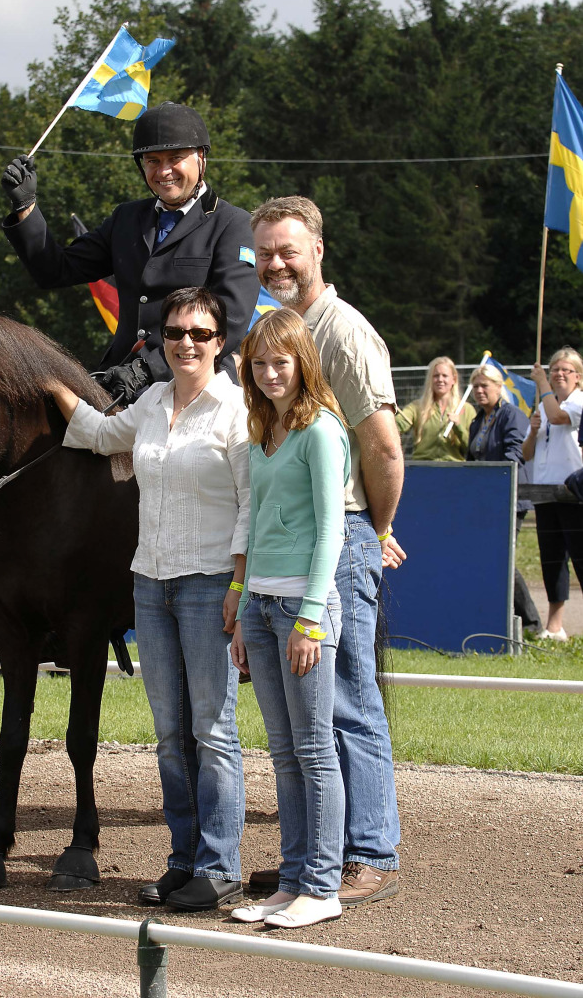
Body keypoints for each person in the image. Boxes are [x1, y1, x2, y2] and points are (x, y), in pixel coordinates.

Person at [47, 286, 247, 912]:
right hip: (150, 585)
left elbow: (252, 509)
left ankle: (220, 864)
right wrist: (49, 382)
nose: (186, 343)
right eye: (175, 332)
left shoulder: (239, 411)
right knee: (169, 733)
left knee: (212, 730)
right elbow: (101, 433)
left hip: (211, 583)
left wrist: (239, 588)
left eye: (200, 334)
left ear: (219, 342)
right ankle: (183, 860)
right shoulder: (153, 399)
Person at [248, 195, 403, 907]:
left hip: (340, 539)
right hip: (299, 548)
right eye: (265, 252)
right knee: (315, 716)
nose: (275, 262)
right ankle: (324, 855)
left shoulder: (343, 333)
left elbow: (383, 448)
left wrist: (377, 527)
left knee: (350, 702)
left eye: (288, 249)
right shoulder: (284, 330)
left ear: (318, 250)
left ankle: (368, 851)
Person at [0, 102, 259, 403]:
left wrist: (148, 369)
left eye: (175, 158)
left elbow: (231, 319)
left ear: (201, 157)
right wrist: (25, 207)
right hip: (117, 381)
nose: (163, 171)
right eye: (152, 161)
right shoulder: (126, 218)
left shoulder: (234, 224)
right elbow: (55, 270)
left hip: (195, 385)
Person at [229, 308, 349, 930]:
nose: (271, 373)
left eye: (281, 361)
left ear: (303, 361)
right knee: (282, 752)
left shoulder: (322, 431)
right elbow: (254, 522)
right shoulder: (262, 430)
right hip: (263, 608)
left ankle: (322, 884)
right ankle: (294, 878)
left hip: (305, 607)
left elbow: (332, 530)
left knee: (314, 749)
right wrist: (246, 602)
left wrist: (309, 619)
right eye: (260, 363)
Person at [466, 363, 541, 636]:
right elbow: (471, 460)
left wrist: (493, 479)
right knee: (489, 558)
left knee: (504, 560)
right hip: (484, 501)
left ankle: (532, 624)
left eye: (485, 385)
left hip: (509, 499)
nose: (479, 390)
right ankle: (496, 619)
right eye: (475, 386)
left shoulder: (511, 415)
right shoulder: (477, 420)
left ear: (500, 387)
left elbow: (516, 453)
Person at [522, 348, 583, 641]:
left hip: (574, 493)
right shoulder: (542, 406)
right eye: (554, 369)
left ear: (578, 377)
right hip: (545, 492)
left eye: (565, 370)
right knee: (552, 560)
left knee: (580, 557)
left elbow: (558, 418)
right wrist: (532, 432)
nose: (558, 374)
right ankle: (555, 626)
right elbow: (526, 452)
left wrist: (541, 381)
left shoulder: (579, 401)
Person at [395, 357, 475, 461]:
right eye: (436, 376)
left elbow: (472, 449)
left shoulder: (467, 409)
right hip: (423, 469)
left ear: (453, 379)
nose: (440, 379)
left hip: (455, 470)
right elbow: (397, 425)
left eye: (445, 376)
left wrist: (458, 427)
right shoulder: (416, 407)